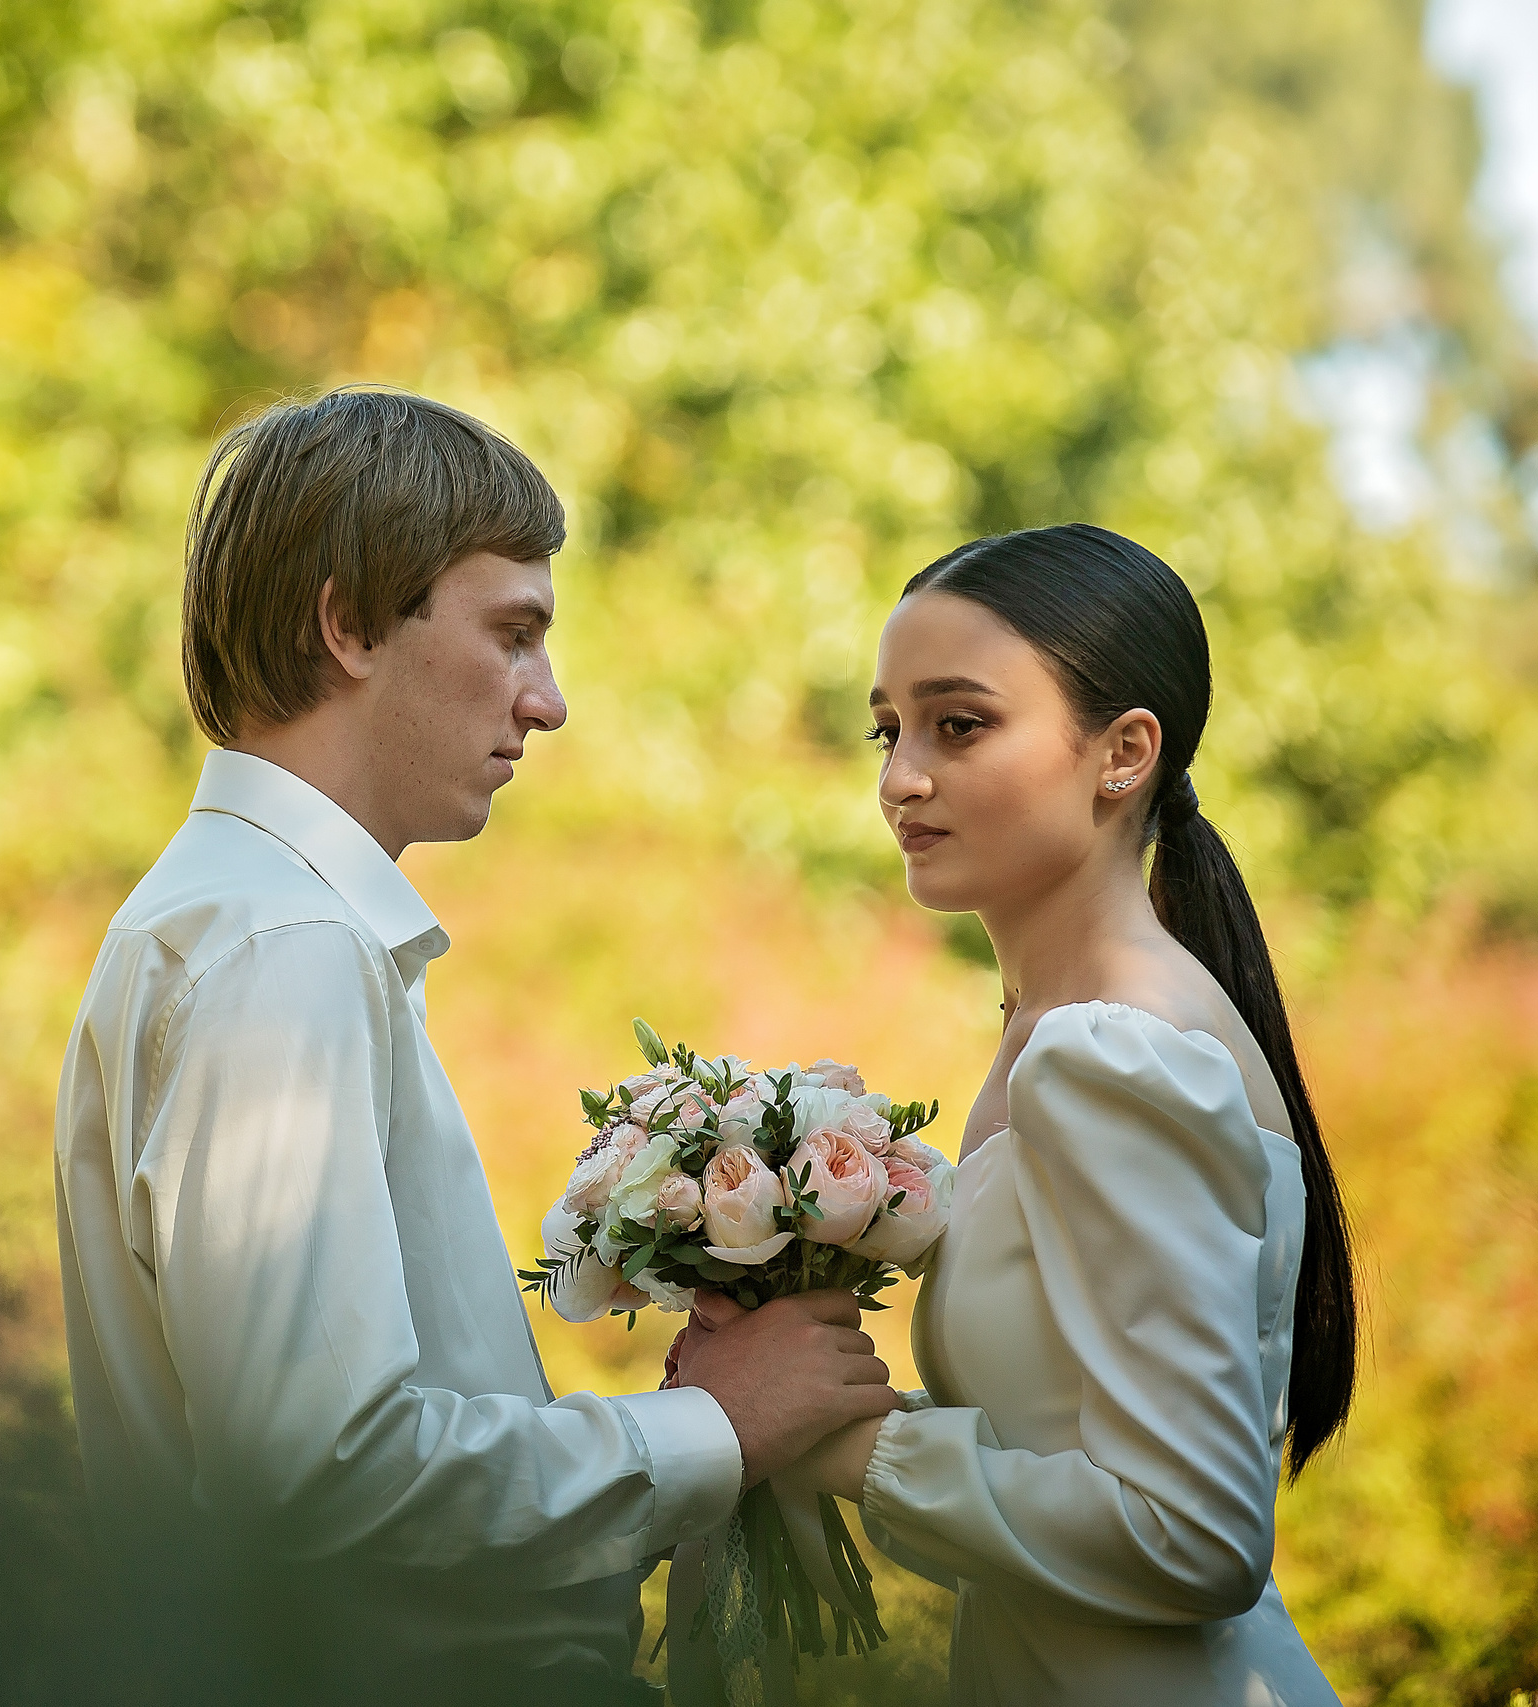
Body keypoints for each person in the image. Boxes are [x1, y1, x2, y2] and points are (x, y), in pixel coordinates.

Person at [52, 386, 902, 1706]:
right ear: (346, 623)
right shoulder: (282, 946)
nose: (547, 701)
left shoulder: (233, 922)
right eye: (512, 633)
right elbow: (325, 1475)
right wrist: (707, 1428)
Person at [691, 523, 1353, 1704]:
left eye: (960, 724)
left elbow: (1191, 1535)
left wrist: (847, 1447)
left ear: (1123, 751)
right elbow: (1064, 1450)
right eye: (887, 730)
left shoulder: (1117, 1054)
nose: (900, 777)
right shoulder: (1062, 1026)